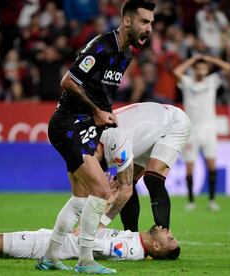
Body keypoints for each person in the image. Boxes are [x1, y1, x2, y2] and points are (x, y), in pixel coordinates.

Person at [40, 1, 155, 274]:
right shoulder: (102, 46)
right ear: (127, 21)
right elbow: (68, 81)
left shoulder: (125, 55)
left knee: (80, 200)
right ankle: (85, 260)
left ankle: (49, 257)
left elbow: (100, 91)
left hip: (86, 128)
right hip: (68, 126)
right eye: (144, 22)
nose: (149, 28)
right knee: (102, 191)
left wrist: (105, 114)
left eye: (151, 23)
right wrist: (97, 112)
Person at [95, 102, 191, 233]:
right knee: (122, 183)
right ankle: (131, 237)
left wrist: (100, 224)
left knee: (152, 179)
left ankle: (163, 239)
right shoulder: (95, 134)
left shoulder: (116, 140)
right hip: (146, 128)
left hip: (173, 123)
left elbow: (125, 191)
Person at [0, 225, 180, 261]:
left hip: (46, 246)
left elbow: (97, 248)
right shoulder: (133, 238)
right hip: (51, 237)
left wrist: (83, 233)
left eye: (169, 238)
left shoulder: (131, 248)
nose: (167, 231)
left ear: (156, 248)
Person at [173, 55, 230, 211]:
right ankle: (191, 201)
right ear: (194, 69)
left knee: (212, 166)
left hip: (209, 130)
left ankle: (212, 200)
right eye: (198, 68)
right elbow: (176, 71)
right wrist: (193, 60)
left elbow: (227, 67)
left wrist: (209, 59)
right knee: (190, 167)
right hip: (191, 131)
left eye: (204, 68)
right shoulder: (187, 82)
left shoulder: (212, 81)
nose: (201, 70)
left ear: (207, 70)